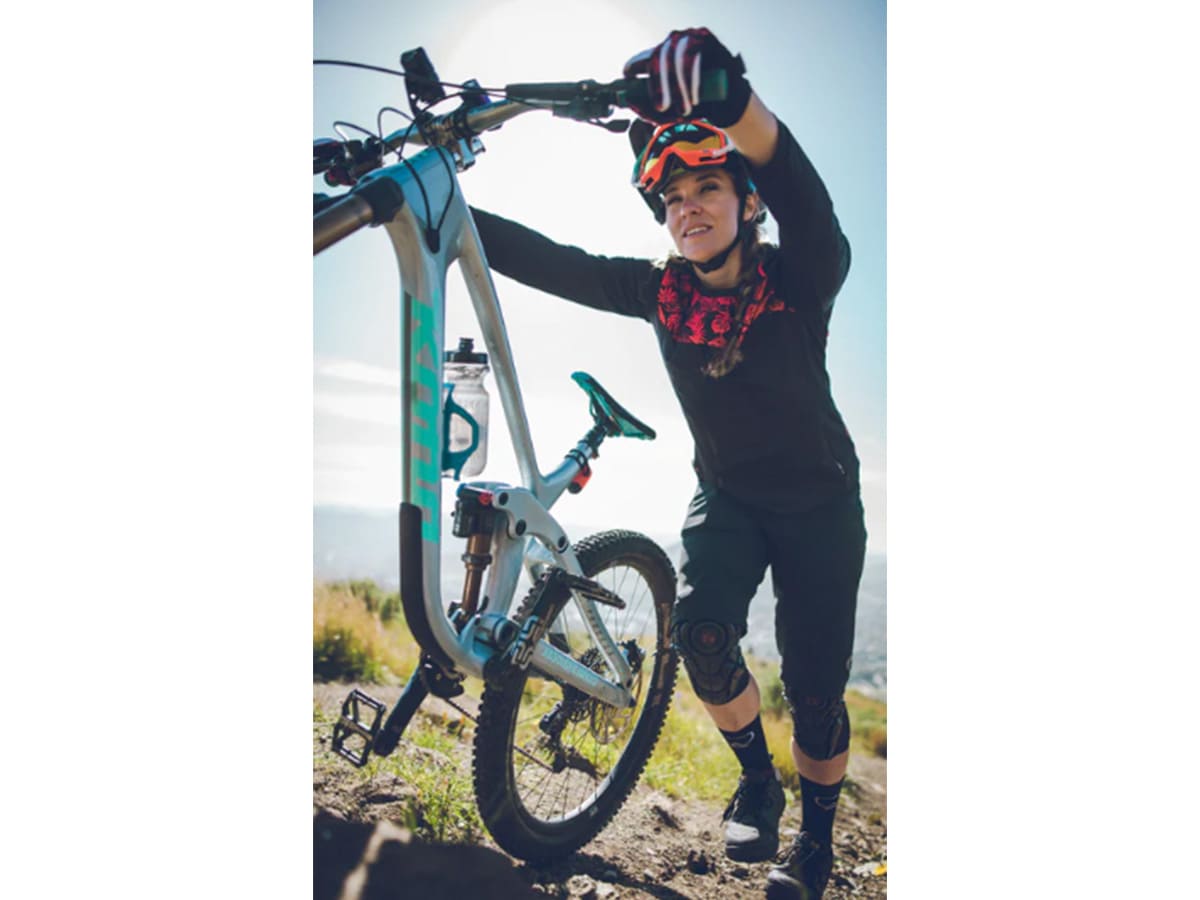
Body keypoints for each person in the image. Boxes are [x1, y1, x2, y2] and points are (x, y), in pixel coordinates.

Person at [472, 28, 867, 900]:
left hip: (822, 507)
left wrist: (730, 101)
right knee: (703, 638)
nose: (688, 208)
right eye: (673, 197)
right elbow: (551, 263)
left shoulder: (800, 276)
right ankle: (757, 781)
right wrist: (437, 208)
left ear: (746, 204)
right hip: (728, 498)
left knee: (816, 695)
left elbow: (800, 187)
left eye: (708, 187)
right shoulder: (660, 291)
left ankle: (817, 841)